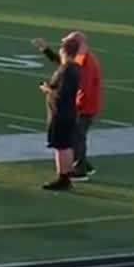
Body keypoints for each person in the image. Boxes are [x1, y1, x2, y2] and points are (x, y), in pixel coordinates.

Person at [36, 32, 101, 181]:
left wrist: (50, 91)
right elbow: (64, 63)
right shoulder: (80, 59)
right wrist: (46, 50)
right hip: (82, 104)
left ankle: (80, 168)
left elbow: (83, 86)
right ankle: (83, 164)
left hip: (84, 106)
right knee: (75, 137)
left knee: (76, 137)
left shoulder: (86, 62)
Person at [40, 37, 84, 192]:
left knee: (61, 147)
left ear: (65, 51)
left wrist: (47, 89)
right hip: (68, 112)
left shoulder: (67, 70)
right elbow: (59, 62)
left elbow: (62, 94)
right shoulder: (72, 67)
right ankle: (66, 177)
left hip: (61, 113)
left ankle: (63, 178)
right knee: (66, 145)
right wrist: (46, 50)